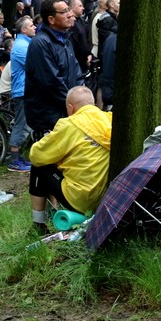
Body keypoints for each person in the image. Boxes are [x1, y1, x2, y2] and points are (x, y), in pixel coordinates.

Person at [28, 86, 112, 234]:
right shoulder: (109, 119)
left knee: (39, 166)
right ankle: (52, 212)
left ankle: (38, 224)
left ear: (70, 107)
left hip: (79, 199)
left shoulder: (69, 124)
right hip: (106, 199)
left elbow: (36, 155)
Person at [25, 0, 84, 133]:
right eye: (64, 12)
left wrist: (81, 94)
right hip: (49, 117)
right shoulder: (40, 43)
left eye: (69, 9)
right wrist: (74, 104)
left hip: (66, 112)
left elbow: (76, 71)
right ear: (51, 19)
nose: (70, 14)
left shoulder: (65, 39)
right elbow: (51, 82)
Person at [6, 16, 36, 172]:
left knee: (26, 124)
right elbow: (35, 65)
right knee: (21, 125)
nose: (34, 27)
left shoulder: (26, 43)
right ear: (23, 29)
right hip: (22, 91)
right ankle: (14, 160)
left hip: (26, 89)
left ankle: (18, 157)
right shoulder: (22, 46)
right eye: (31, 25)